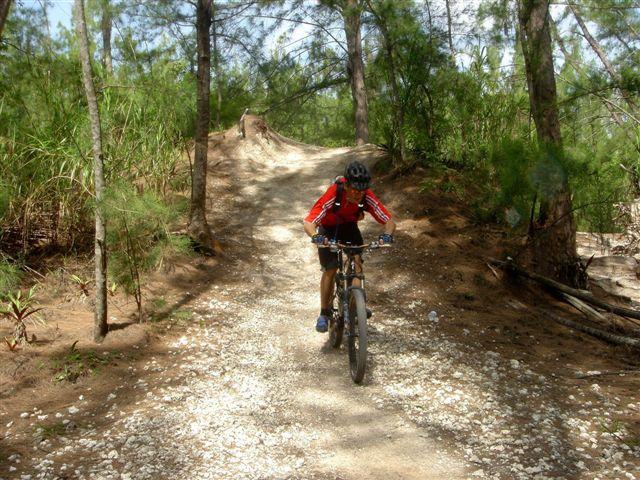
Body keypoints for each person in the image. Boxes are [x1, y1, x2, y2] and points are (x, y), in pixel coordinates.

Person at [303, 160, 396, 332]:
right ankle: (324, 313)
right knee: (330, 269)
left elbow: (388, 221)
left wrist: (387, 235)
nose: (358, 194)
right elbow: (309, 222)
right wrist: (316, 237)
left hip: (349, 228)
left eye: (362, 190)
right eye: (354, 189)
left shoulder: (366, 195)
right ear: (346, 185)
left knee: (357, 262)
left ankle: (357, 304)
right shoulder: (333, 193)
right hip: (328, 230)